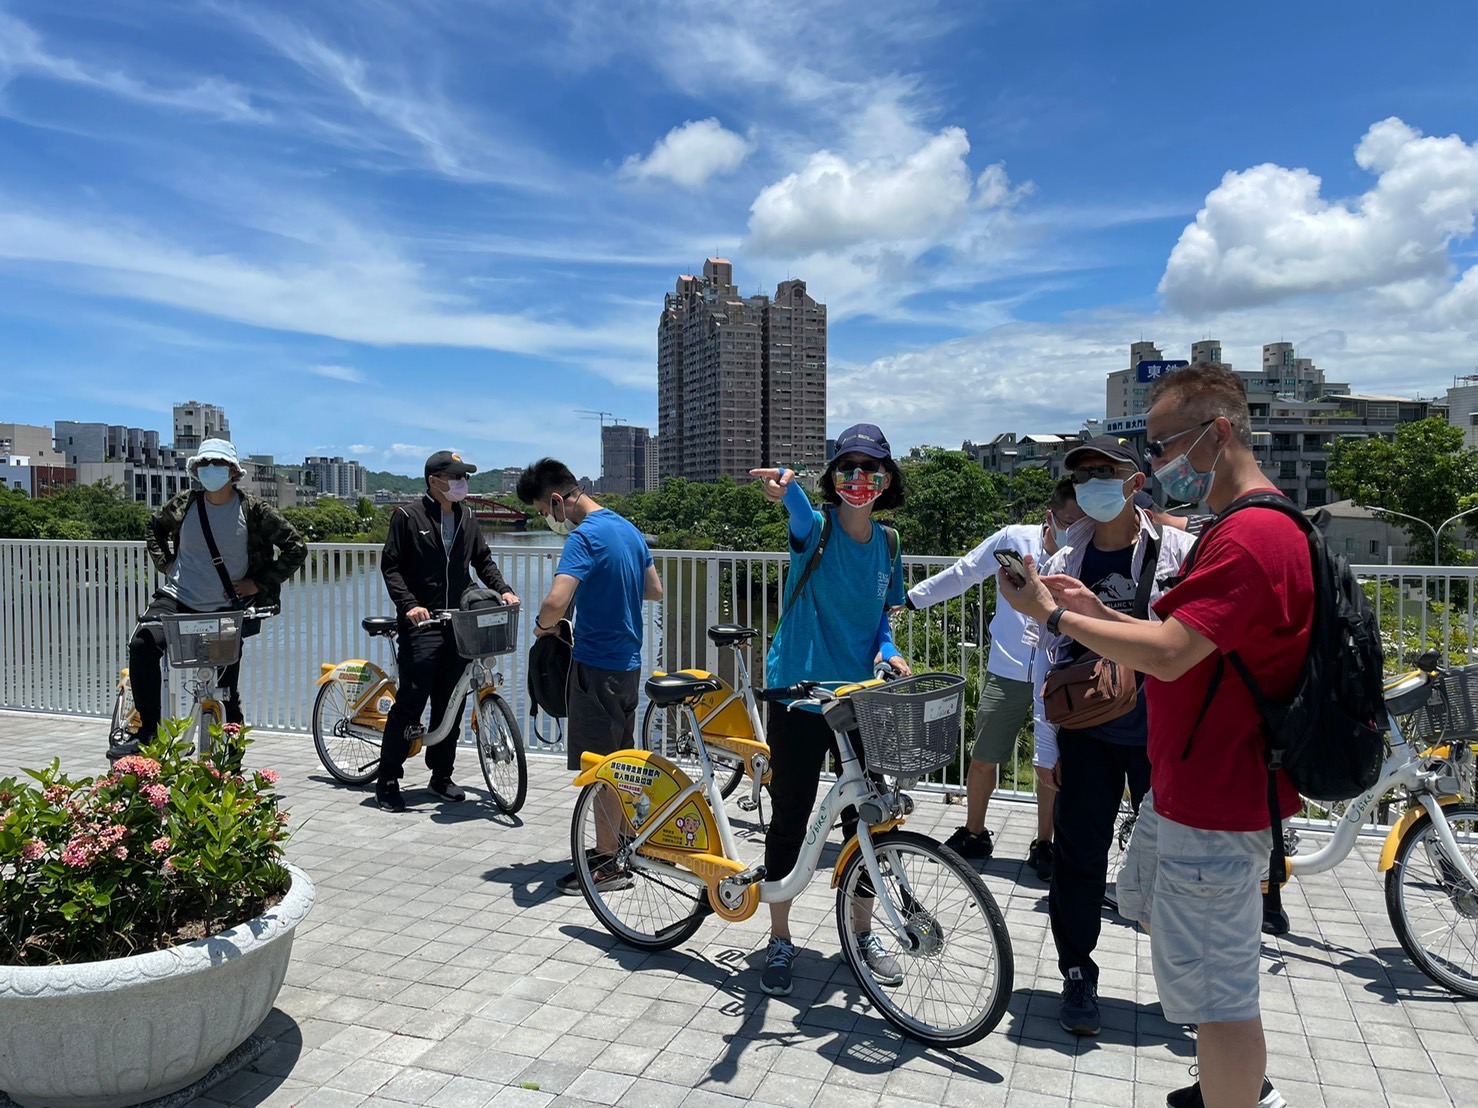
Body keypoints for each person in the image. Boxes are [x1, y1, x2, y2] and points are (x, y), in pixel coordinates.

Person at [1000, 364, 1296, 1108]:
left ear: (1216, 433)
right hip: (1144, 753)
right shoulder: (1074, 555)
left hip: (1199, 771)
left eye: (1162, 446)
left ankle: (1230, 1081)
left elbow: (1169, 651)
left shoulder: (1220, 542)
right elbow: (1161, 642)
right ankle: (1090, 979)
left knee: (1215, 983)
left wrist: (1057, 615)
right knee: (1098, 869)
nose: (1161, 462)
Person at [1027, 436, 1195, 1037]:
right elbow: (1044, 657)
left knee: (1178, 860)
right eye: (1084, 474)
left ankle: (1191, 985)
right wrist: (1047, 749)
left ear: (1134, 480)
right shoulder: (1062, 560)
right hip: (1090, 732)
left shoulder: (1180, 550)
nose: (1095, 482)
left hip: (1167, 732)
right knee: (1079, 857)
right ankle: (1077, 973)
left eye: (1107, 470)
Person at [748, 423, 912, 998]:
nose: (859, 480)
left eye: (871, 469)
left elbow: (882, 625)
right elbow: (795, 510)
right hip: (798, 692)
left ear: (887, 479)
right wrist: (788, 487)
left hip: (858, 697)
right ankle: (780, 935)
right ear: (832, 477)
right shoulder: (815, 529)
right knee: (791, 810)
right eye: (848, 468)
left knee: (866, 817)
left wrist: (890, 655)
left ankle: (861, 934)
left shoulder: (890, 545)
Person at [906, 477, 1084, 878]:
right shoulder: (1013, 540)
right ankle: (974, 831)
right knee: (984, 755)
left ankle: (1045, 843)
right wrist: (913, 599)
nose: (1073, 531)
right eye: (1067, 521)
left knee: (1051, 762)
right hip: (1007, 666)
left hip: (1061, 671)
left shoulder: (1088, 550)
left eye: (1082, 521)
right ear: (1049, 516)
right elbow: (964, 572)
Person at [515, 458, 663, 894]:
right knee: (621, 764)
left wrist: (544, 627)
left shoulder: (583, 537)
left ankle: (607, 864)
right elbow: (654, 589)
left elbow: (556, 601)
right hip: (629, 666)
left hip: (595, 667)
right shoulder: (627, 529)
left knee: (599, 770)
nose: (547, 518)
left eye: (544, 510)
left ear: (558, 499)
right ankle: (620, 845)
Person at [111, 438, 306, 760]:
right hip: (178, 596)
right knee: (143, 644)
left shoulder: (253, 510)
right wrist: (167, 563)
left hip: (226, 605)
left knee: (225, 688)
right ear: (196, 470)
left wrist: (258, 582)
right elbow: (154, 529)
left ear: (232, 471)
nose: (210, 470)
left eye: (217, 464)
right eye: (204, 464)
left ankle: (231, 762)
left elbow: (296, 547)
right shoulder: (185, 503)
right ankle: (148, 731)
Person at [377, 450, 519, 812]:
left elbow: (482, 561)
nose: (463, 484)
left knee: (449, 703)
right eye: (456, 478)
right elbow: (390, 566)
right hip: (421, 624)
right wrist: (409, 605)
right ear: (434, 481)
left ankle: (441, 776)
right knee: (411, 699)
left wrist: (503, 589)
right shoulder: (408, 517)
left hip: (458, 621)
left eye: (465, 478)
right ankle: (388, 779)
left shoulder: (467, 517)